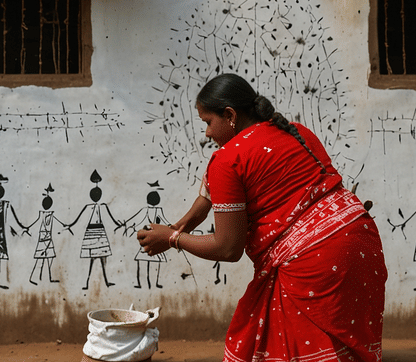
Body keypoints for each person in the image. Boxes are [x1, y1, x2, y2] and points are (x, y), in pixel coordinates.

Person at [137, 73, 387, 362]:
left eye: (207, 122)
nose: (206, 133)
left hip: (314, 264)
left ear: (230, 115)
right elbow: (209, 196)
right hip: (361, 243)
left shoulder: (229, 159)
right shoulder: (295, 131)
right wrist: (179, 226)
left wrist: (172, 238)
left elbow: (228, 248)